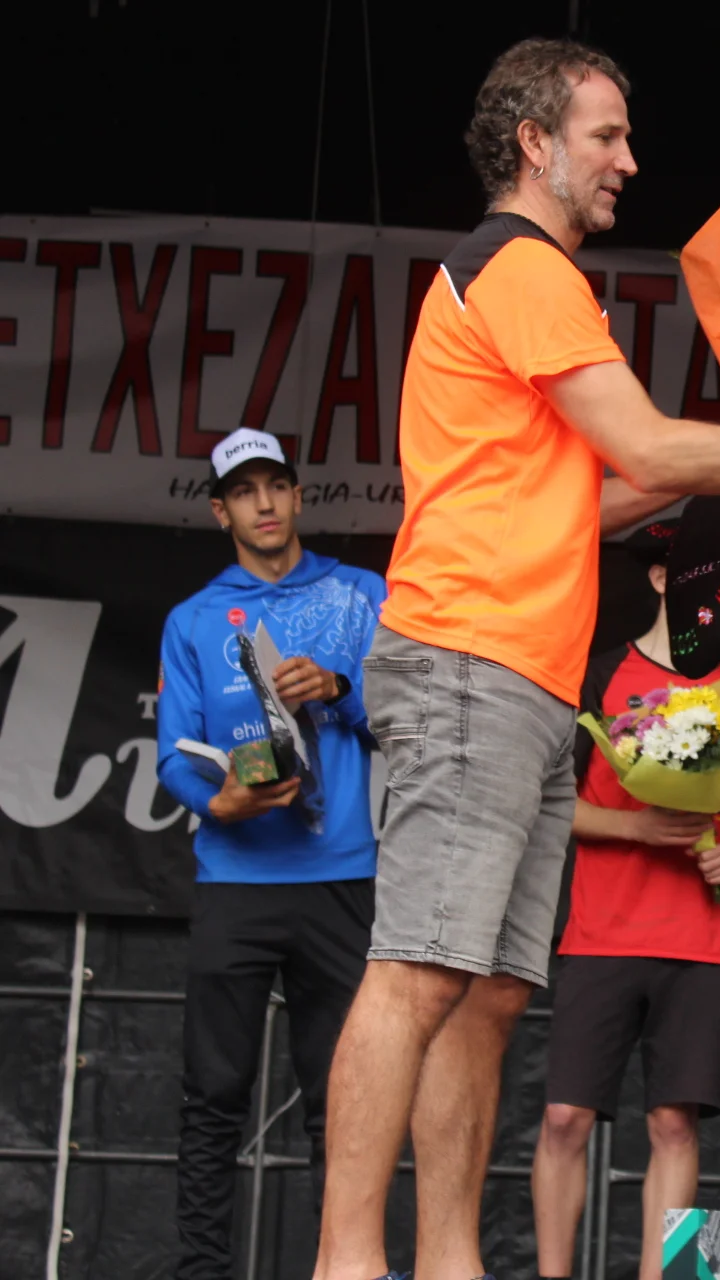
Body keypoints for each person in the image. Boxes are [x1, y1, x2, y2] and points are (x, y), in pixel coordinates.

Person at [312, 38, 720, 1280]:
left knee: (489, 992)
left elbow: (595, 498)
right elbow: (649, 449)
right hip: (467, 655)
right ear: (535, 142)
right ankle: (345, 1261)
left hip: (530, 677)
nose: (629, 160)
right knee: (419, 969)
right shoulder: (522, 265)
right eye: (606, 135)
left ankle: (448, 1259)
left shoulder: (530, 280)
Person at [155, 428, 386, 1280]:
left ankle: (342, 1269)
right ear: (222, 512)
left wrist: (338, 686)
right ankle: (201, 1272)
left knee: (344, 1103)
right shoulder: (194, 618)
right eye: (244, 491)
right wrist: (214, 802)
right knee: (212, 1095)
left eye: (276, 486)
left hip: (342, 880)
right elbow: (173, 754)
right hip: (237, 878)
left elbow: (409, 713)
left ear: (297, 496)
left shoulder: (360, 594)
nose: (264, 503)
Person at [530, 524, 720, 1280]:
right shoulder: (600, 675)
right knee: (564, 1117)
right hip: (601, 931)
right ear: (661, 579)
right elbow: (549, 802)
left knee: (674, 1124)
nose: (709, 586)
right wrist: (635, 827)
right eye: (691, 570)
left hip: (701, 939)